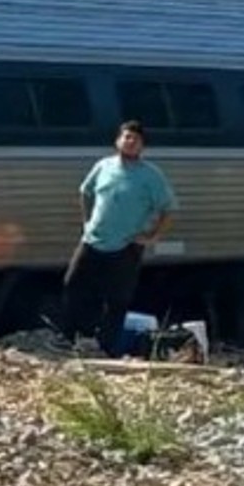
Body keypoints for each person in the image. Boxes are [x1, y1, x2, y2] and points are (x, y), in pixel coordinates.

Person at [59, 120, 176, 356]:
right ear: (117, 141)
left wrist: (153, 236)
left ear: (142, 146)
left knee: (117, 299)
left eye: (136, 139)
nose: (130, 142)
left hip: (126, 246)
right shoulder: (103, 166)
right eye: (126, 137)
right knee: (73, 285)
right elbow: (85, 191)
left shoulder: (150, 176)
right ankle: (73, 337)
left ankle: (106, 346)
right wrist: (87, 222)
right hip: (92, 240)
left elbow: (169, 208)